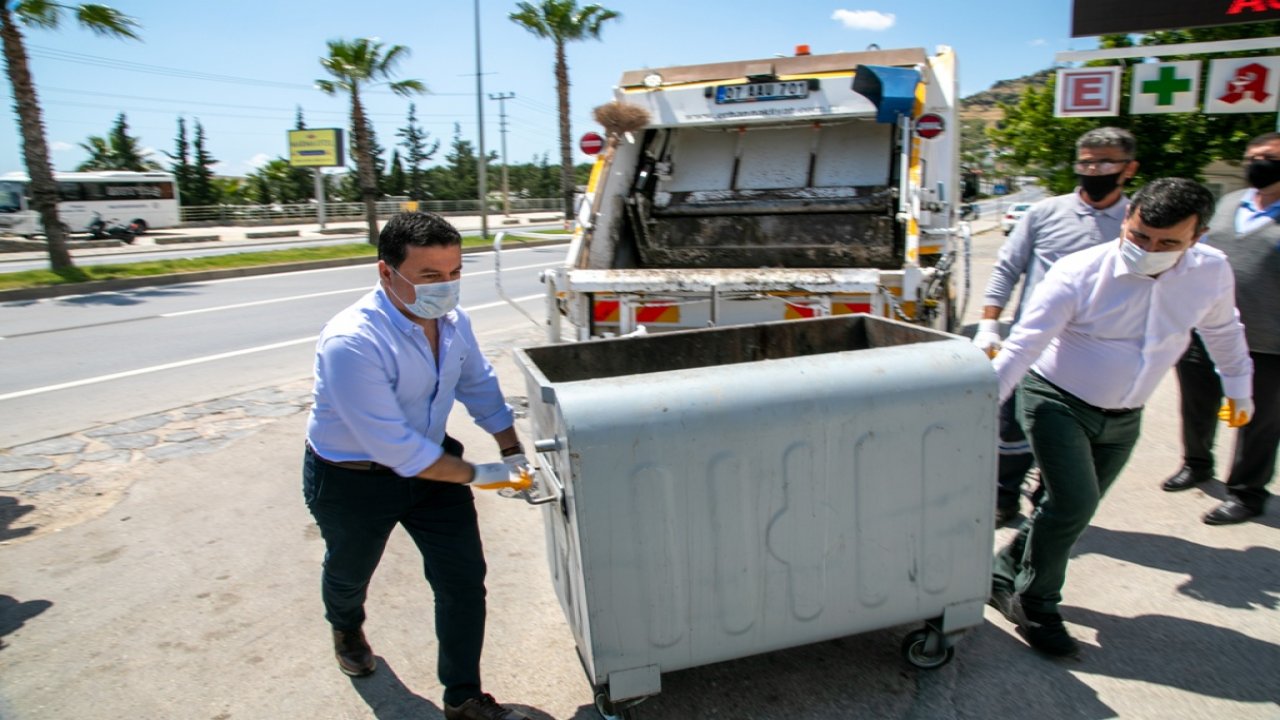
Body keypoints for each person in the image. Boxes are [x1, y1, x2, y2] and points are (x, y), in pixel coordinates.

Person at [987, 178, 1253, 658]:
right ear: (1128, 220)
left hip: (1126, 413)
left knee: (1069, 510)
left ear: (1199, 236)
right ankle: (1035, 603)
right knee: (1072, 505)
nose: (1149, 249)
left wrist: (1238, 387)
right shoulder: (1081, 270)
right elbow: (1024, 343)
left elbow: (1224, 329)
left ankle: (1001, 571)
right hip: (1056, 400)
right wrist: (982, 406)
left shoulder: (1210, 272)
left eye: (1167, 242)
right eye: (1139, 236)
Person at [303, 211, 532, 720]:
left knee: (462, 579)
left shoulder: (453, 322)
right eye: (430, 276)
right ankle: (345, 625)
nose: (447, 288)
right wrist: (485, 475)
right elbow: (396, 450)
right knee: (349, 571)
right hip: (353, 478)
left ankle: (464, 697)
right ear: (387, 273)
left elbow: (480, 387)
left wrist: (511, 450)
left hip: (433, 467)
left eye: (454, 274)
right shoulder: (352, 341)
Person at [973, 127, 1139, 525]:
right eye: (1085, 162)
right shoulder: (1045, 214)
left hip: (1094, 352)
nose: (1093, 169)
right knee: (1011, 429)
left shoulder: (1137, 223)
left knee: (1072, 435)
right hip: (1033, 343)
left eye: (1104, 162)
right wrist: (989, 325)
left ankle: (1049, 502)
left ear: (1129, 168)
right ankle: (1004, 496)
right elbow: (1007, 268)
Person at [1161, 132, 1280, 525]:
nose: (1257, 164)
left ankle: (1246, 493)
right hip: (1205, 327)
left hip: (1268, 340)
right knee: (1197, 405)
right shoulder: (1229, 203)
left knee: (1256, 419)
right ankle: (1196, 463)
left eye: (1268, 158)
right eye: (1252, 156)